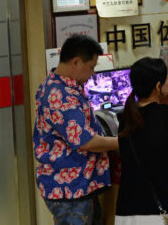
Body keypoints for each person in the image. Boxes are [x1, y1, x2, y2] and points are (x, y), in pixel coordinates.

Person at [33, 34, 118, 225]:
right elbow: (87, 141)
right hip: (70, 189)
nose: (93, 73)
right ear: (76, 62)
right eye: (91, 67)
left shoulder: (64, 86)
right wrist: (123, 142)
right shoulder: (60, 95)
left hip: (80, 186)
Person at [115, 57, 168, 224]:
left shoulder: (125, 117)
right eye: (166, 81)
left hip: (127, 213)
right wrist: (167, 108)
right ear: (158, 87)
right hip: (164, 213)